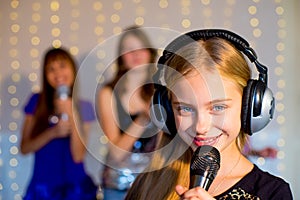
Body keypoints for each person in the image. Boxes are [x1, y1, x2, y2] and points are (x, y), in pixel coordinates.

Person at [125, 29, 293, 199]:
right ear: (167, 112)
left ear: (249, 108)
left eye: (218, 107)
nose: (201, 127)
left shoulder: (273, 192)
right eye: (185, 109)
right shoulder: (148, 183)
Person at [20, 47, 97, 199]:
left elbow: (78, 156)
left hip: (76, 188)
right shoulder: (36, 101)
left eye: (62, 66)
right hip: (43, 188)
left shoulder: (84, 107)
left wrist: (71, 113)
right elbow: (24, 148)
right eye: (51, 69)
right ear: (45, 74)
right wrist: (53, 132)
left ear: (72, 69)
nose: (58, 73)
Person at [96, 25, 158, 199]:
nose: (136, 54)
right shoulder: (108, 93)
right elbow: (117, 153)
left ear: (149, 52)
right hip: (118, 186)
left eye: (140, 48)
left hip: (152, 186)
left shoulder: (161, 90)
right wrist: (144, 117)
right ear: (121, 57)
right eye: (129, 50)